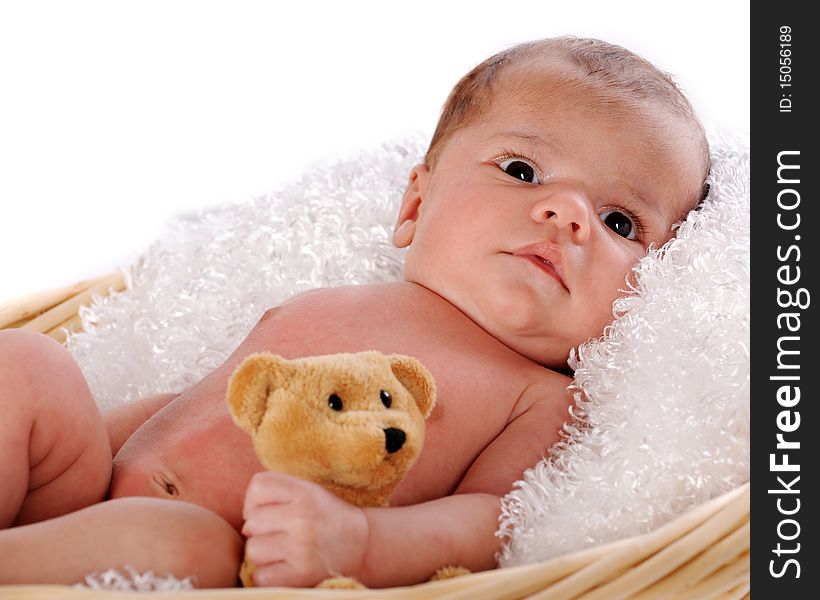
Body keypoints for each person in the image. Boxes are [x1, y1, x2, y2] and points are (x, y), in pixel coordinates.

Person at [0, 37, 709, 588]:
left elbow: (493, 523)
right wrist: (83, 442)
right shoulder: (337, 299)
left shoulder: (540, 396)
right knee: (32, 364)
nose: (567, 214)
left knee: (180, 541)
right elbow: (198, 401)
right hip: (82, 493)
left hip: (212, 558)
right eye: (523, 172)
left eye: (620, 222)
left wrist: (360, 544)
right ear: (415, 206)